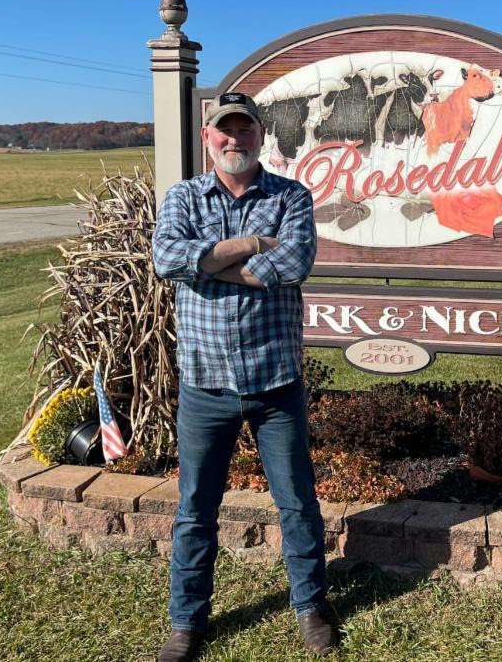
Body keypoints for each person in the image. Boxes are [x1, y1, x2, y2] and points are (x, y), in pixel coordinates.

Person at [151, 92, 338, 661]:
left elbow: (293, 264)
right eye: (224, 130)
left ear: (261, 134)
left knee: (297, 503)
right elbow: (167, 260)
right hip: (205, 383)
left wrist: (206, 266)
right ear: (207, 136)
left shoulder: (290, 196)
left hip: (274, 381)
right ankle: (187, 622)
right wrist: (253, 245)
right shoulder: (183, 197)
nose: (235, 139)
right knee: (195, 509)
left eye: (245, 129)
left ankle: (311, 607)